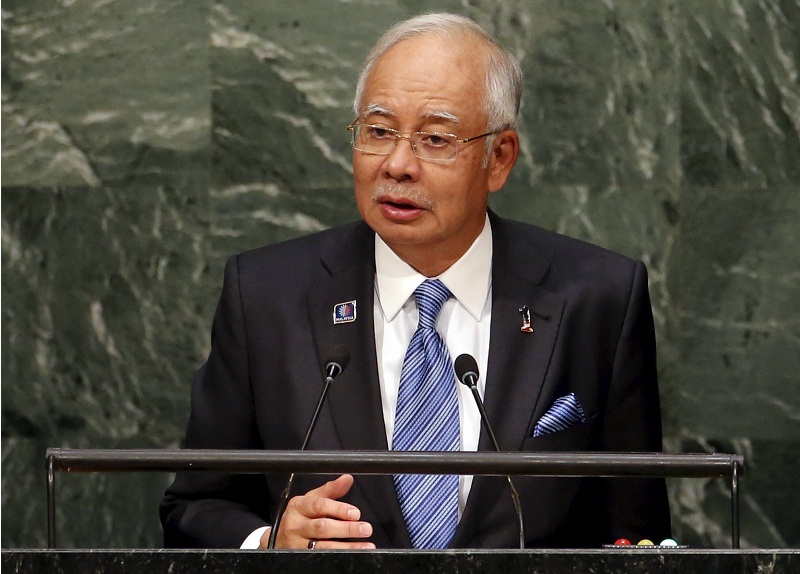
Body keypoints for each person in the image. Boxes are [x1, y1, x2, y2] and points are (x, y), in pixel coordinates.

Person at [160, 12, 671, 550]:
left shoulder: (598, 298)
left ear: (498, 159)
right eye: (379, 132)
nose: (398, 164)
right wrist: (269, 544)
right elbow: (193, 508)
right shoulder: (267, 296)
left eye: (435, 139)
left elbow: (637, 540)